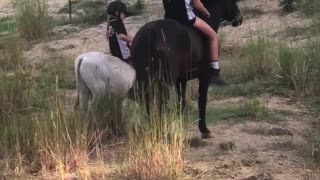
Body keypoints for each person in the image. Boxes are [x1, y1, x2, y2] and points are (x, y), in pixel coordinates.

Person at [162, 0, 227, 85]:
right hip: (185, 17)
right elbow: (197, 4)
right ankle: (214, 72)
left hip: (169, 19)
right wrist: (206, 12)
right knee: (213, 36)